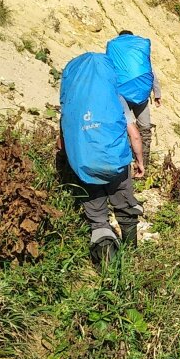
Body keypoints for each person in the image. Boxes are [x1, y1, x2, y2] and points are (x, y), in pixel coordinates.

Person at [58, 51, 145, 267]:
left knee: (97, 220)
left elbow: (61, 144)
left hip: (85, 166)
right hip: (115, 162)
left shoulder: (72, 101)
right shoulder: (114, 97)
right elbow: (134, 134)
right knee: (125, 208)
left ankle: (110, 269)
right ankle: (131, 258)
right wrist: (140, 161)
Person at [105, 31, 162, 171]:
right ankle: (144, 165)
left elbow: (108, 72)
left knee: (126, 127)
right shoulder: (139, 59)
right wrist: (157, 94)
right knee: (145, 128)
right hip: (141, 95)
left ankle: (127, 164)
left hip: (122, 94)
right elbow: (151, 74)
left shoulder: (115, 50)